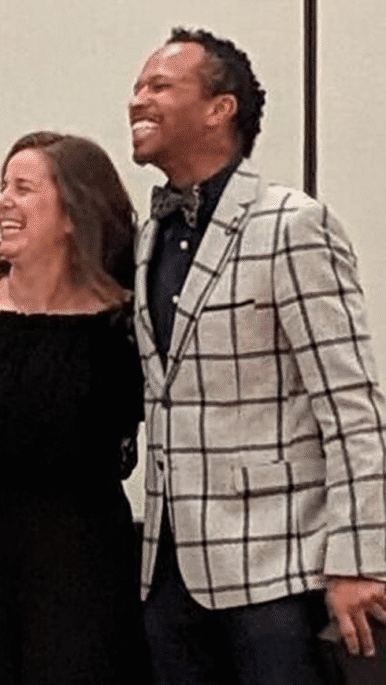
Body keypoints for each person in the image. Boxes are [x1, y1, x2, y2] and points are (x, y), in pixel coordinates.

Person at [130, 27, 386, 684]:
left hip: (279, 572)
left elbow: (352, 406)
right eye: (137, 86)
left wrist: (360, 559)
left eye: (160, 85)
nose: (138, 100)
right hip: (169, 573)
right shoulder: (148, 234)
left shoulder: (292, 224)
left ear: (222, 108)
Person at [0, 131, 150, 684]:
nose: (3, 201)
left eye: (23, 188)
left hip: (81, 564)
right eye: (2, 186)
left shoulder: (126, 325)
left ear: (73, 214)